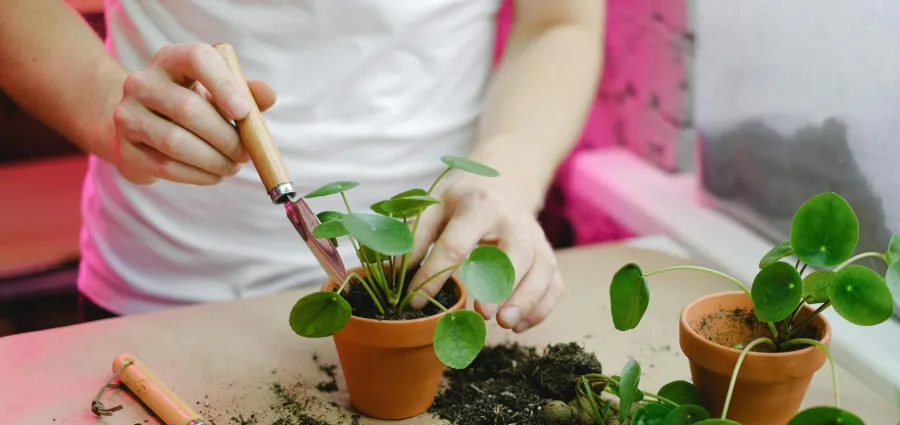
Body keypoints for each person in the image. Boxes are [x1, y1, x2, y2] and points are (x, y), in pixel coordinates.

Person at [0, 0, 603, 333]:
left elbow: (560, 22)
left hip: (439, 284)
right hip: (168, 287)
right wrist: (106, 103)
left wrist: (504, 175)